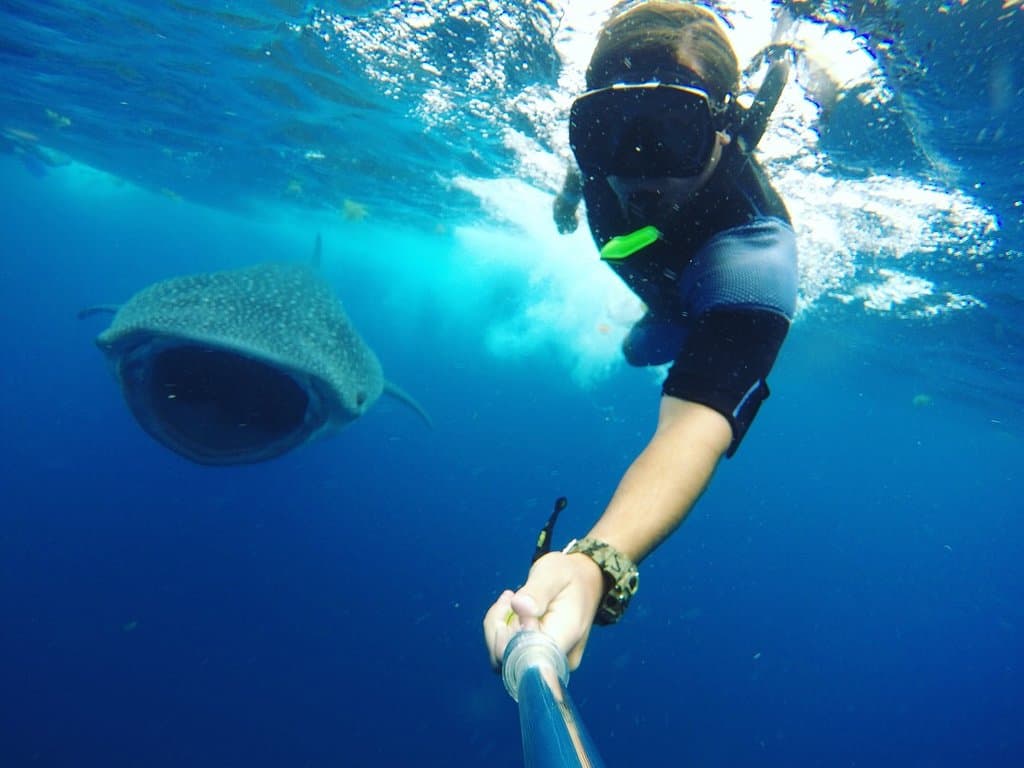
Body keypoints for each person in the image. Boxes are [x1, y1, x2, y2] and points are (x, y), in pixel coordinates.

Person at [484, 1, 798, 672]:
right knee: (634, 352)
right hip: (658, 298)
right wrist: (571, 195)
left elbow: (695, 430)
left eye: (672, 132)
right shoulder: (605, 168)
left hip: (700, 305)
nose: (635, 171)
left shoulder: (755, 257)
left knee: (650, 349)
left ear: (723, 129)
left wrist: (596, 563)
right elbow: (591, 166)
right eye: (604, 131)